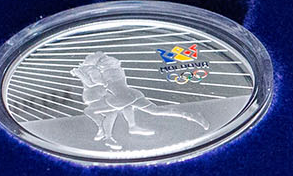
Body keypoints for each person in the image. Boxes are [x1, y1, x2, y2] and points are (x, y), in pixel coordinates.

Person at [70, 52, 209, 149]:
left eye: (89, 57)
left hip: (121, 97)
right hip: (132, 94)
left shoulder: (99, 69)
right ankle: (192, 116)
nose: (87, 58)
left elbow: (95, 84)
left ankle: (106, 134)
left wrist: (80, 73)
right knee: (156, 110)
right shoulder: (115, 68)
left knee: (91, 110)